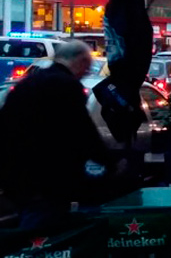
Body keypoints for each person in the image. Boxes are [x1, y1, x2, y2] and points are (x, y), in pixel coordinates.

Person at [0, 41, 115, 229]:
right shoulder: (66, 86)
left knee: (30, 222)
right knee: (42, 229)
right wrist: (108, 162)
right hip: (45, 176)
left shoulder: (29, 83)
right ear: (79, 62)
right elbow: (83, 132)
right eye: (86, 68)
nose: (85, 73)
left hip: (16, 173)